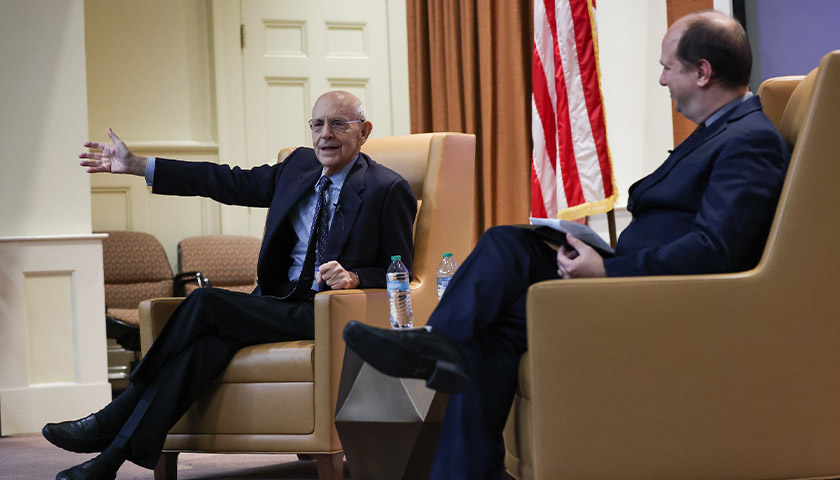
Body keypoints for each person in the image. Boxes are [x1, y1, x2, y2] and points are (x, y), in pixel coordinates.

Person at [343, 11, 790, 480]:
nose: (662, 80)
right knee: (493, 301)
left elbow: (714, 249)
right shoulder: (721, 131)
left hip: (660, 297)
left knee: (501, 263)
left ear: (702, 72)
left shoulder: (749, 140)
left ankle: (432, 345)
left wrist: (606, 271)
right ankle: (451, 410)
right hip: (637, 281)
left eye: (667, 68)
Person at [43, 91, 417, 480]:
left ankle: (114, 414)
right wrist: (138, 166)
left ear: (364, 131)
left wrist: (355, 277)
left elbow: (401, 271)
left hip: (326, 312)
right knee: (202, 350)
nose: (326, 134)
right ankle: (110, 460)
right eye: (317, 124)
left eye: (338, 124)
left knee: (205, 302)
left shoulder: (386, 188)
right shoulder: (298, 167)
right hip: (277, 303)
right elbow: (225, 180)